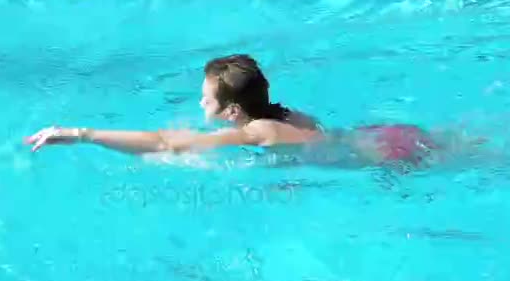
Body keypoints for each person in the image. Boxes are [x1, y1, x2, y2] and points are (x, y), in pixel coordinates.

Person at [23, 54, 475, 169]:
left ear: (232, 109)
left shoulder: (259, 129)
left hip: (389, 156)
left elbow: (165, 144)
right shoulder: (284, 114)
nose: (199, 103)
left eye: (207, 99)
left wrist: (80, 133)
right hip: (389, 134)